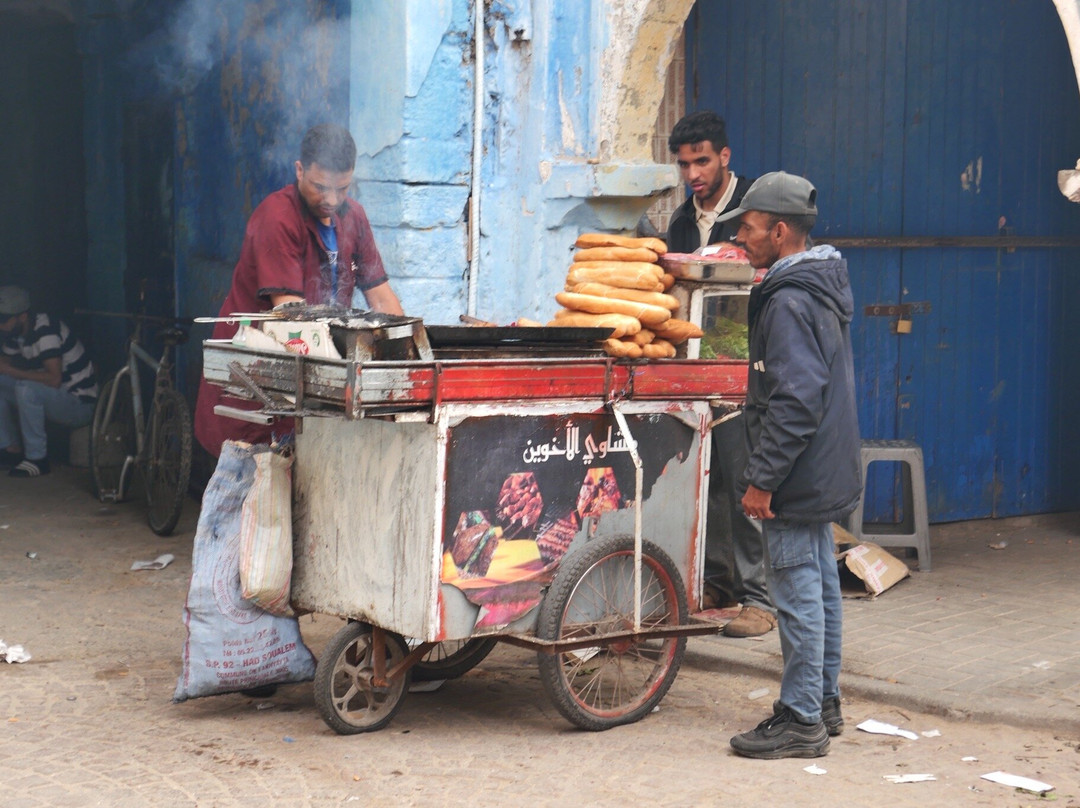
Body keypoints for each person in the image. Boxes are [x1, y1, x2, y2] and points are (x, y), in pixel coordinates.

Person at [716, 172, 861, 759]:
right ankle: (823, 703)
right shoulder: (818, 285)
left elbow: (796, 398)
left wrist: (762, 478)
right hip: (825, 464)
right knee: (821, 583)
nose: (740, 240)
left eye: (748, 230)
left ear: (779, 232)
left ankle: (800, 718)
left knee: (797, 589)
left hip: (797, 471)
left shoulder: (790, 298)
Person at [194, 123, 404, 456]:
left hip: (310, 384)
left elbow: (380, 296)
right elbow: (293, 317)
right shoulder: (277, 217)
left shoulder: (355, 218)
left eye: (343, 188)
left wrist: (405, 355)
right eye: (320, 187)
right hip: (256, 381)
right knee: (252, 490)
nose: (331, 200)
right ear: (299, 170)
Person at [665, 111, 776, 638]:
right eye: (685, 164)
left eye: (702, 161)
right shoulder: (682, 220)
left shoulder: (756, 206)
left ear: (724, 157)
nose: (693, 173)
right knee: (703, 481)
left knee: (746, 482)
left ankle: (761, 598)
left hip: (746, 365)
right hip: (696, 366)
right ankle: (717, 581)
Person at [0, 286, 98, 478]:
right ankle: (9, 449)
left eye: (4, 319)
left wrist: (11, 370)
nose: (0, 325)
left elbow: (54, 379)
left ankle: (38, 459)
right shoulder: (15, 334)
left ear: (23, 316)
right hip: (55, 396)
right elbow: (5, 362)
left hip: (79, 404)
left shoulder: (46, 329)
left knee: (25, 388)